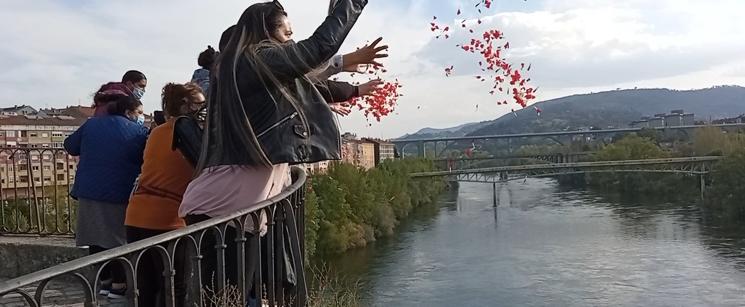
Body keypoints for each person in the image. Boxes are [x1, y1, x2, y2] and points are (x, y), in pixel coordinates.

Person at [179, 0, 369, 303]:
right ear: (263, 35)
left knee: (237, 297)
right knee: (224, 298)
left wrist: (333, 17)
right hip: (223, 210)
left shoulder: (251, 70)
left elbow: (312, 77)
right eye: (286, 34)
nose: (291, 41)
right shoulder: (251, 62)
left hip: (240, 211)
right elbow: (316, 49)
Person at [124, 82, 205, 307]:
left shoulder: (157, 131)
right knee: (176, 289)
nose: (204, 109)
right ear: (185, 106)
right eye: (200, 104)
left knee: (146, 289)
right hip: (167, 220)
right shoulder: (189, 134)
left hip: (136, 216)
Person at [64, 86, 148, 300]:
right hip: (119, 193)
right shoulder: (137, 131)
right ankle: (119, 287)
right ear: (129, 112)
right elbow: (145, 159)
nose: (141, 117)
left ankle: (104, 283)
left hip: (89, 192)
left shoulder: (91, 125)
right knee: (117, 241)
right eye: (139, 113)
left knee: (95, 238)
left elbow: (70, 146)